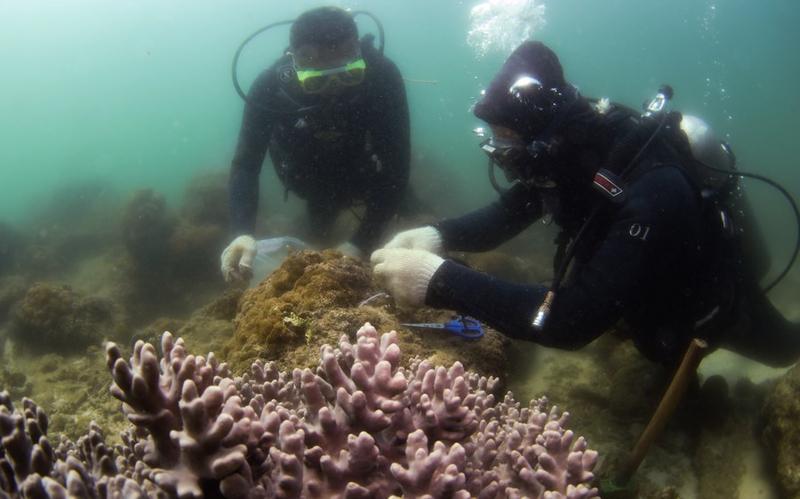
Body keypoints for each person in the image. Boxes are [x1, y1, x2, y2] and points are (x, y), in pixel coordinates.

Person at [372, 41, 800, 367]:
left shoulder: (653, 186)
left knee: (785, 352)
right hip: (638, 307)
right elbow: (508, 214)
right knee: (660, 360)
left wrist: (437, 281)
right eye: (496, 143)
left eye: (508, 142)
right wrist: (437, 235)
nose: (504, 157)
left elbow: (571, 321)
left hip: (708, 307)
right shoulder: (571, 157)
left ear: (545, 137)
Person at [221, 6, 410, 282]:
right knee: (318, 233)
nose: (334, 90)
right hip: (310, 184)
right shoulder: (270, 87)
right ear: (295, 61)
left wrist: (359, 244)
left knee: (409, 220)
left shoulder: (381, 75)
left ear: (359, 53)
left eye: (348, 75)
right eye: (317, 81)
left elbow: (397, 165)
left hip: (368, 177)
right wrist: (242, 231)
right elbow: (246, 164)